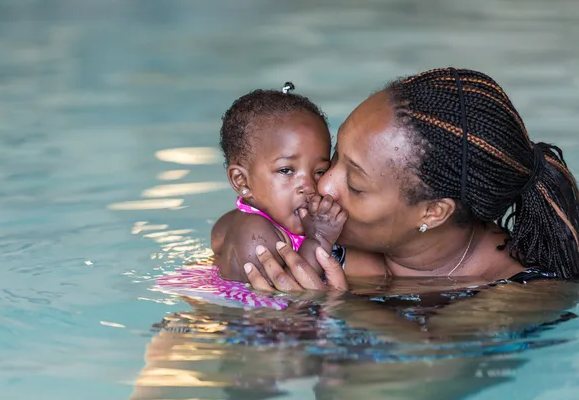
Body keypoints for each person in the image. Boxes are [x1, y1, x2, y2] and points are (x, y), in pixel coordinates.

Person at [243, 67, 579, 292]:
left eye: (356, 185)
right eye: (334, 157)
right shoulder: (320, 237)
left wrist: (330, 310)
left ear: (433, 212)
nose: (323, 184)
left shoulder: (509, 298)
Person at [211, 82, 346, 283]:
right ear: (242, 181)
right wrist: (319, 239)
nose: (308, 186)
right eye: (286, 170)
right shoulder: (255, 235)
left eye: (319, 171)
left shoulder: (257, 215)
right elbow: (283, 295)